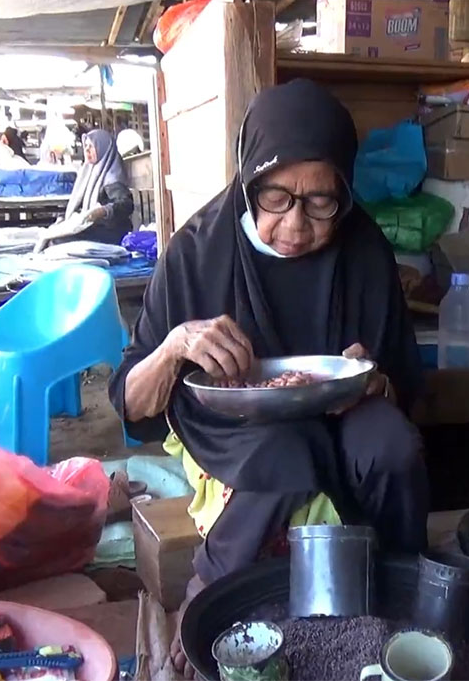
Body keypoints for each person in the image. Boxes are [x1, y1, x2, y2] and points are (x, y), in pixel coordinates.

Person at [108, 79, 428, 676]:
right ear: (249, 179)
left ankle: (404, 586)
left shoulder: (363, 250)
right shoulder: (197, 251)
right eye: (277, 197)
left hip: (343, 414)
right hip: (232, 428)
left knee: (392, 444)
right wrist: (177, 346)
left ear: (344, 193)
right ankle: (212, 584)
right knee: (285, 444)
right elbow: (129, 402)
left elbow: (404, 385)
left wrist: (374, 381)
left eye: (321, 201)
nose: (296, 224)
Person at [36, 129, 134, 249]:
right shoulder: (88, 172)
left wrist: (103, 211)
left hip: (112, 231)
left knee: (57, 242)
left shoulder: (112, 177)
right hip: (93, 227)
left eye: (91, 146)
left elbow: (126, 204)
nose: (87, 150)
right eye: (86, 146)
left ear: (103, 149)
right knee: (52, 235)